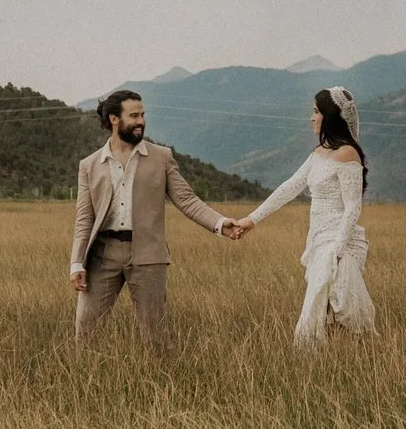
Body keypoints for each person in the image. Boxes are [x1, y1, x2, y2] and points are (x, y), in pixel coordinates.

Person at [69, 88, 243, 339]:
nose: (141, 121)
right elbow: (84, 219)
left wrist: (220, 223)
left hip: (148, 253)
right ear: (114, 119)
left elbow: (187, 200)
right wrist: (77, 262)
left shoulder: (162, 157)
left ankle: (157, 365)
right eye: (134, 116)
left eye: (142, 115)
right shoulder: (90, 165)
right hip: (102, 255)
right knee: (86, 331)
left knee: (156, 335)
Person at [237, 86, 377, 346]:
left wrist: (336, 253)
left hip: (338, 243)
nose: (311, 118)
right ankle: (333, 363)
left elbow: (352, 208)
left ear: (330, 116)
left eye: (316, 112)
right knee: (324, 313)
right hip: (318, 241)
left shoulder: (347, 154)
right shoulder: (319, 153)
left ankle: (354, 361)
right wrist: (251, 219)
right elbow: (290, 187)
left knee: (339, 311)